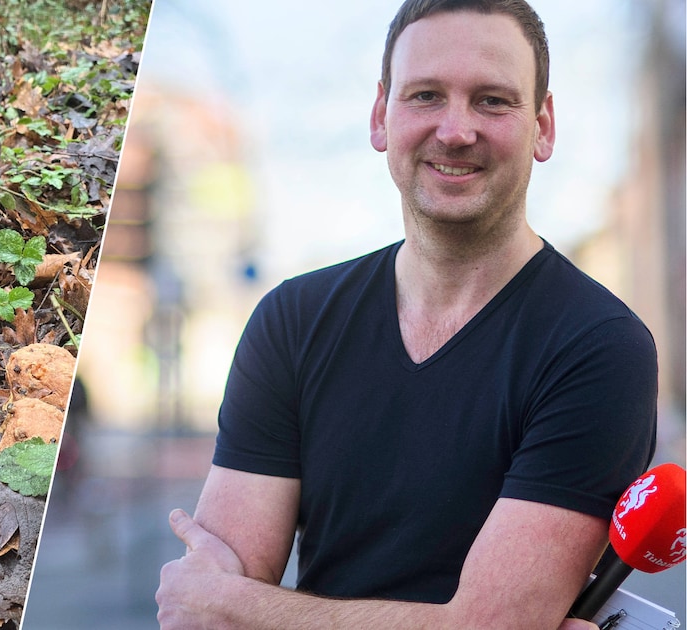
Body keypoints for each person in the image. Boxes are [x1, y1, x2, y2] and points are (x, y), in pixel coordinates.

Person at [154, 1, 658, 628]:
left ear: (543, 125)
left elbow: (487, 627)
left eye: (493, 100)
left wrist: (237, 604)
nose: (455, 130)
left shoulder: (598, 347)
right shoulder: (292, 321)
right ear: (380, 116)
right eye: (424, 95)